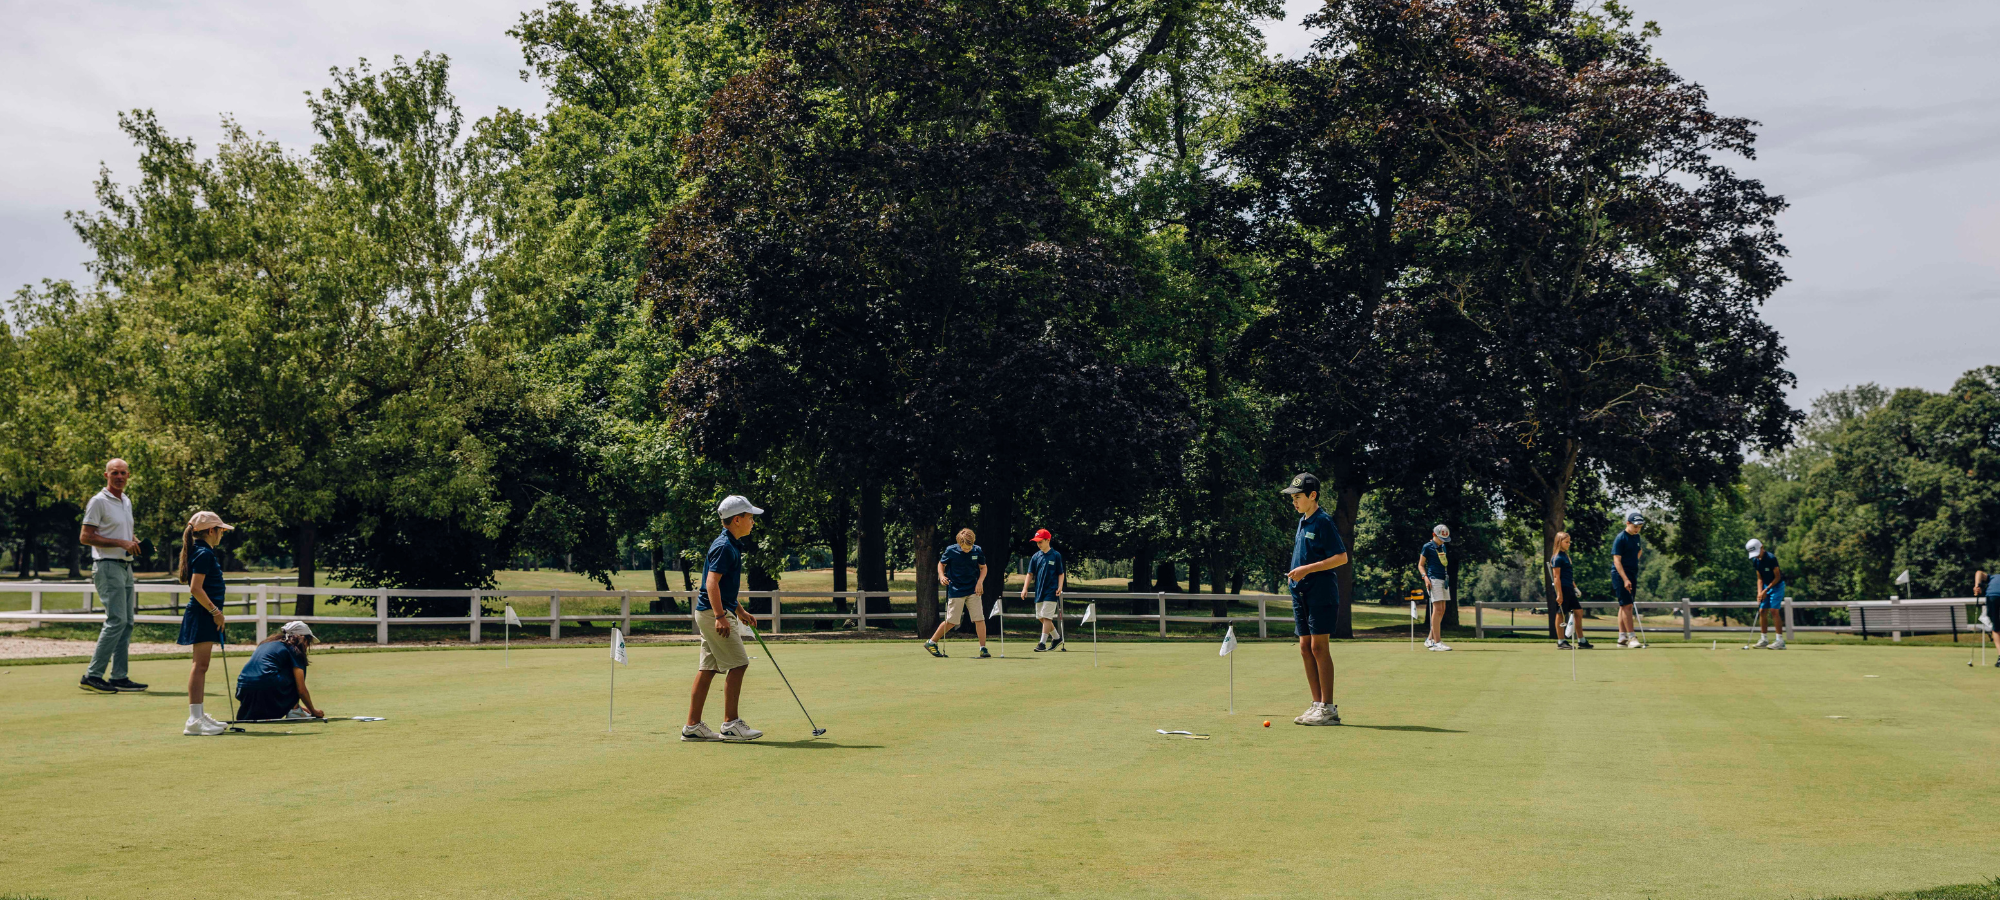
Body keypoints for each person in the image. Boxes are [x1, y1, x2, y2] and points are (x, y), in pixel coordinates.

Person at [683, 495, 765, 742]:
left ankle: (693, 726)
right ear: (737, 520)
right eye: (750, 518)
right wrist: (720, 616)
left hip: (713, 612)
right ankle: (730, 724)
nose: (753, 522)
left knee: (708, 668)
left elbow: (724, 587)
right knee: (739, 664)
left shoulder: (730, 544)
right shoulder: (724, 547)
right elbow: (711, 583)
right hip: (713, 614)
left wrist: (739, 611)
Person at [1281, 473, 1349, 726]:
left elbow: (1341, 558)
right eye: (1292, 498)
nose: (1294, 502)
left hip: (1321, 592)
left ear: (1313, 496)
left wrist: (1307, 569)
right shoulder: (1303, 521)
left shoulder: (1323, 522)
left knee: (1319, 648)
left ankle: (1328, 708)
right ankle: (1316, 704)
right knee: (1304, 648)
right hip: (1301, 593)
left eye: (1297, 497)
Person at [78, 458, 146, 694]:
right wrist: (120, 542)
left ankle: (119, 676)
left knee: (126, 623)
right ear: (105, 475)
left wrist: (133, 541)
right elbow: (86, 536)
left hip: (125, 566)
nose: (119, 476)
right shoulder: (98, 501)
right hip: (107, 566)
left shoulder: (125, 500)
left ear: (129, 475)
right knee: (116, 620)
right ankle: (92, 675)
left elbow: (120, 531)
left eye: (123, 473)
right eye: (114, 472)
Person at [175, 512, 235, 736]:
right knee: (200, 666)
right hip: (203, 614)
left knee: (201, 665)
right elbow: (195, 588)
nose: (222, 534)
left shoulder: (202, 551)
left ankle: (198, 716)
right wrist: (215, 612)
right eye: (220, 530)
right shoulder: (203, 553)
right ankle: (194, 720)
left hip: (204, 614)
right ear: (211, 531)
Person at [235, 621, 323, 721]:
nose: (308, 645)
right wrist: (313, 711)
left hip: (243, 687)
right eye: (309, 641)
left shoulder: (266, 643)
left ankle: (294, 708)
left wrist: (291, 704)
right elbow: (301, 689)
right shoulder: (295, 649)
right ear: (303, 639)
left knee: (280, 669)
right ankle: (295, 711)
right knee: (296, 673)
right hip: (267, 686)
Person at [925, 528, 990, 658]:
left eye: (969, 547)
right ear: (959, 544)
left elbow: (983, 567)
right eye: (964, 548)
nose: (967, 550)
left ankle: (983, 648)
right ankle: (931, 642)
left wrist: (980, 582)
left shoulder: (977, 550)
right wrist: (942, 576)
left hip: (973, 589)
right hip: (956, 590)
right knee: (952, 621)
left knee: (980, 619)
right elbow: (941, 564)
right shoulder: (951, 550)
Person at [1023, 528, 1065, 652]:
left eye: (1040, 541)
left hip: (1051, 591)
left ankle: (1042, 643)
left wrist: (1060, 586)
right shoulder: (1036, 556)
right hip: (1039, 591)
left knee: (1047, 617)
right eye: (1037, 542)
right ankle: (1057, 638)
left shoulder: (1056, 555)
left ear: (1048, 540)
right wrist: (1025, 588)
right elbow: (1030, 574)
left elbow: (1060, 573)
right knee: (1041, 617)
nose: (1038, 544)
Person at [1549, 532, 1591, 649]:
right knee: (1561, 614)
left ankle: (1581, 640)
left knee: (1578, 611)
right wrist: (1559, 594)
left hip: (1569, 588)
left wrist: (1575, 587)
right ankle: (1561, 641)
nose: (1569, 544)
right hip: (1562, 588)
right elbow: (1557, 577)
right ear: (1559, 542)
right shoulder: (1557, 557)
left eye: (1569, 542)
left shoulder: (1565, 556)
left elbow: (1568, 575)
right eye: (1566, 542)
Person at [1611, 511, 1646, 648]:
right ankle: (1632, 637)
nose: (1637, 529)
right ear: (1628, 523)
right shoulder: (1620, 538)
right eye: (1635, 526)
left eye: (1640, 527)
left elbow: (1639, 551)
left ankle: (1622, 637)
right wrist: (1625, 578)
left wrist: (1633, 564)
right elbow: (1616, 561)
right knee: (1628, 605)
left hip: (1631, 574)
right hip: (1620, 575)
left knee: (1623, 605)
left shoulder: (1636, 537)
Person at [1745, 539, 1787, 650]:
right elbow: (1759, 578)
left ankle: (1780, 641)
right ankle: (1764, 639)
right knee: (1762, 611)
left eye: (1758, 552)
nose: (1757, 556)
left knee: (1774, 610)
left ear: (1762, 547)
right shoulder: (1756, 561)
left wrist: (1766, 590)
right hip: (1765, 586)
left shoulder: (1771, 558)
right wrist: (1759, 592)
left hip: (1777, 585)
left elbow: (1777, 577)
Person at [1416, 524, 1453, 651]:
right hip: (1433, 579)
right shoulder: (1427, 547)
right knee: (1437, 609)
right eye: (1440, 538)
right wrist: (1425, 577)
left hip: (1444, 579)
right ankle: (1437, 642)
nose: (1443, 541)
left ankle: (1429, 639)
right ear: (1434, 535)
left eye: (1444, 539)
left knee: (1442, 609)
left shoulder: (1443, 546)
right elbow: (1420, 565)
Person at [1976, 570, 1999, 666]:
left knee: (1996, 626)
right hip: (1993, 595)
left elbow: (1979, 573)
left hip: (1992, 596)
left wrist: (1977, 586)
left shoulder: (1993, 577)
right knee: (1997, 626)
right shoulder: (1993, 577)